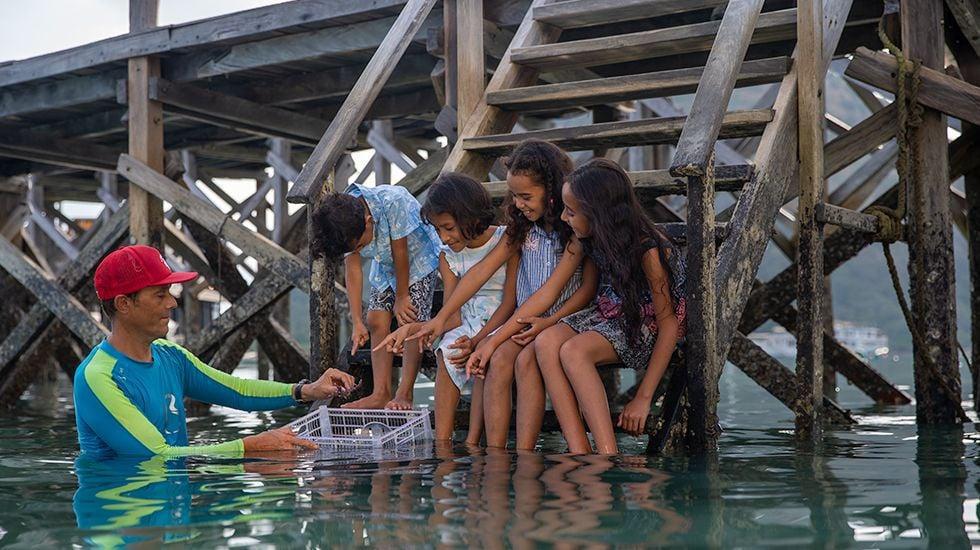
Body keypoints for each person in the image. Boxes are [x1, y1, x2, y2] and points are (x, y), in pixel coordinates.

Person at [380, 139, 597, 450]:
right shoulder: (519, 229)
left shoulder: (572, 231)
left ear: (551, 190)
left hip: (555, 319)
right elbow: (479, 274)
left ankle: (527, 451)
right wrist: (439, 321)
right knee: (496, 360)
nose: (519, 203)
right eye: (515, 196)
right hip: (524, 321)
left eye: (526, 196)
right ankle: (498, 453)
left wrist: (490, 337)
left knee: (517, 359)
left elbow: (560, 293)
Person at [74, 245, 355, 459]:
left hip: (172, 517)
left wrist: (306, 391)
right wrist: (251, 447)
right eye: (160, 295)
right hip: (119, 525)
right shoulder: (98, 377)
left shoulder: (170, 356)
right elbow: (156, 454)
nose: (173, 303)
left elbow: (237, 391)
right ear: (123, 304)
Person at [535, 159, 686, 455]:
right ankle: (579, 447)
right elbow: (590, 290)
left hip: (648, 325)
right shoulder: (593, 237)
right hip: (609, 313)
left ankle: (606, 452)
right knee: (546, 341)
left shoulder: (649, 250)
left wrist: (644, 398)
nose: (565, 218)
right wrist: (549, 321)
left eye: (572, 211)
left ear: (598, 213)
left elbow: (669, 325)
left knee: (572, 351)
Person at [384, 172, 519, 443]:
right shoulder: (448, 257)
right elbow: (452, 315)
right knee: (447, 352)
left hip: (502, 321)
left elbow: (510, 302)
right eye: (437, 230)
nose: (444, 238)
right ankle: (442, 443)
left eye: (448, 227)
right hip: (467, 323)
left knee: (485, 357)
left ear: (469, 216)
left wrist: (480, 340)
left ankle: (479, 443)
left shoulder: (508, 239)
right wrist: (413, 329)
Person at [311, 181, 442, 410]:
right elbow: (353, 270)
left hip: (418, 258)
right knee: (374, 319)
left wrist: (402, 297)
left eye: (361, 245)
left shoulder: (394, 201)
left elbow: (400, 252)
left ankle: (405, 393)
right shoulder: (344, 220)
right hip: (385, 264)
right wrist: (357, 322)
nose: (359, 251)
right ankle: (381, 393)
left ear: (368, 222)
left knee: (409, 319)